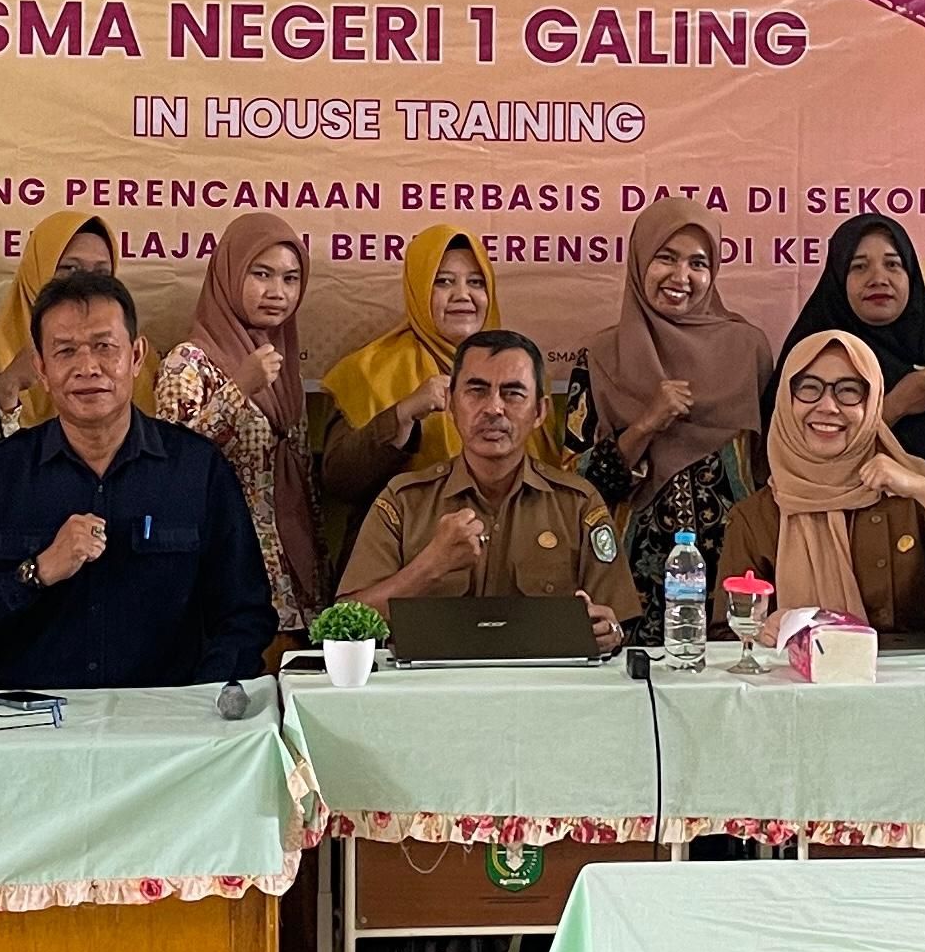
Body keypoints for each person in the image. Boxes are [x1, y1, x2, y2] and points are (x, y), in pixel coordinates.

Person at [0, 269, 275, 688]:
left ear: (136, 357)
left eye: (105, 347)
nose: (87, 368)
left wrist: (200, 701)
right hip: (33, 718)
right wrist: (36, 572)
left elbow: (245, 615)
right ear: (41, 368)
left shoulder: (197, 469)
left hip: (166, 718)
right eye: (66, 351)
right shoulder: (3, 475)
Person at [334, 331, 636, 652]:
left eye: (513, 393)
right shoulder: (404, 501)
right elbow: (343, 624)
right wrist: (431, 566)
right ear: (451, 403)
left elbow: (616, 621)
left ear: (539, 412)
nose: (494, 408)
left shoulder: (577, 504)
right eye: (477, 391)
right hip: (429, 682)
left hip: (543, 681)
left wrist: (610, 632)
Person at [576, 193, 775, 636]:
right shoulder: (602, 355)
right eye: (665, 257)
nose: (681, 277)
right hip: (630, 580)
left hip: (738, 571)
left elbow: (773, 465)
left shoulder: (748, 349)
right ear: (640, 260)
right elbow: (576, 485)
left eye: (698, 263)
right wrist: (646, 424)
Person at [717, 328, 925, 640]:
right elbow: (724, 636)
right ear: (785, 402)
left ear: (872, 404)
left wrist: (924, 489)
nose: (828, 406)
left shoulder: (907, 496)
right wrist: (762, 631)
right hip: (792, 672)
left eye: (848, 390)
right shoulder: (754, 518)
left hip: (901, 671)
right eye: (809, 388)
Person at [149, 211, 327, 646]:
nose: (277, 292)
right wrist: (240, 388)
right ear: (229, 274)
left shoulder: (284, 367)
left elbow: (301, 481)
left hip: (296, 582)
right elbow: (171, 470)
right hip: (229, 579)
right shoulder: (188, 363)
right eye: (261, 274)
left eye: (290, 278)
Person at [787, 214, 925, 517]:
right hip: (832, 535)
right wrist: (892, 408)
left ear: (911, 276)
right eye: (859, 266)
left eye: (893, 264)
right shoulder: (810, 361)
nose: (878, 278)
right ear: (838, 279)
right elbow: (792, 463)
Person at [321, 226, 514, 509]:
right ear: (418, 290)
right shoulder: (367, 371)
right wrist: (403, 415)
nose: (462, 295)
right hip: (404, 536)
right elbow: (340, 482)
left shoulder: (519, 371)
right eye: (443, 282)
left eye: (476, 282)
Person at [0, 210, 122, 430]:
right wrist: (8, 392)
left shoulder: (141, 370)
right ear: (36, 272)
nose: (86, 284)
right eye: (70, 269)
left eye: (101, 273)